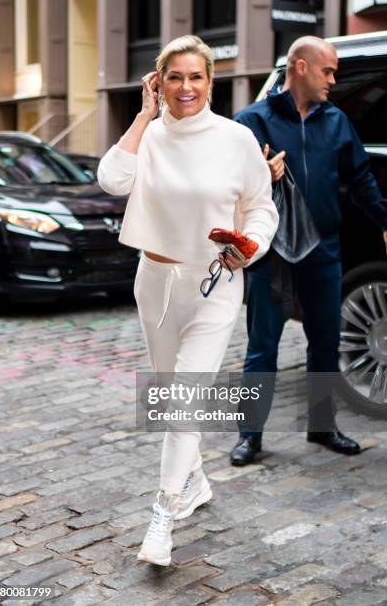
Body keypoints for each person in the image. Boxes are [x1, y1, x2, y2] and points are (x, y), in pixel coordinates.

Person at [97, 35, 278, 566]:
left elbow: (261, 209)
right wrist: (142, 117)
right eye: (173, 76)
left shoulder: (237, 138)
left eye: (195, 76)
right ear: (158, 81)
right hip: (155, 281)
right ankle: (195, 479)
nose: (185, 87)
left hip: (215, 284)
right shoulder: (148, 136)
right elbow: (112, 180)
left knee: (184, 399)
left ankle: (163, 513)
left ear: (210, 82)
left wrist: (254, 246)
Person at [230, 35, 387, 466]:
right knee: (263, 345)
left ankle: (322, 426)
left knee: (324, 341)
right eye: (327, 71)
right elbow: (226, 186)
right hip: (271, 252)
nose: (333, 80)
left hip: (323, 249)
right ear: (299, 67)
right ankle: (250, 436)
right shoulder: (250, 121)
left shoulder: (336, 121)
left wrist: (386, 221)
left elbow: (361, 181)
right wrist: (259, 175)